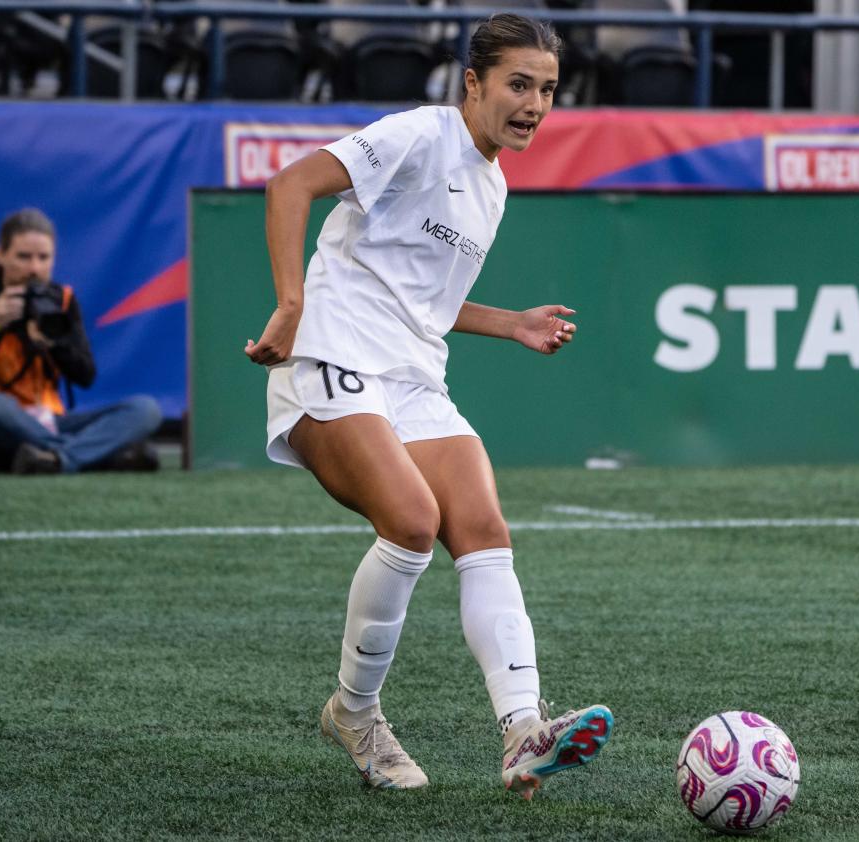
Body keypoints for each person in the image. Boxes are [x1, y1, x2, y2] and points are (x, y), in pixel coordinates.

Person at [244, 13, 612, 798]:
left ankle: (522, 730)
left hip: (411, 375)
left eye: (547, 89)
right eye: (519, 84)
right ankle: (355, 712)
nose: (535, 104)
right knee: (412, 522)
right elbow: (291, 184)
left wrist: (508, 322)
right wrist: (288, 302)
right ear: (472, 83)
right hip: (332, 351)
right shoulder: (420, 133)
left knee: (483, 527)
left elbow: (427, 305)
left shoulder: (493, 185)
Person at [0, 208, 162, 474]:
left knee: (145, 409)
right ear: (1, 255)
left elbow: (86, 376)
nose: (34, 268)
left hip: (48, 421)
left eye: (43, 258)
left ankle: (55, 459)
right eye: (23, 257)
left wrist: (54, 344)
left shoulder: (61, 301)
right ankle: (87, 454)